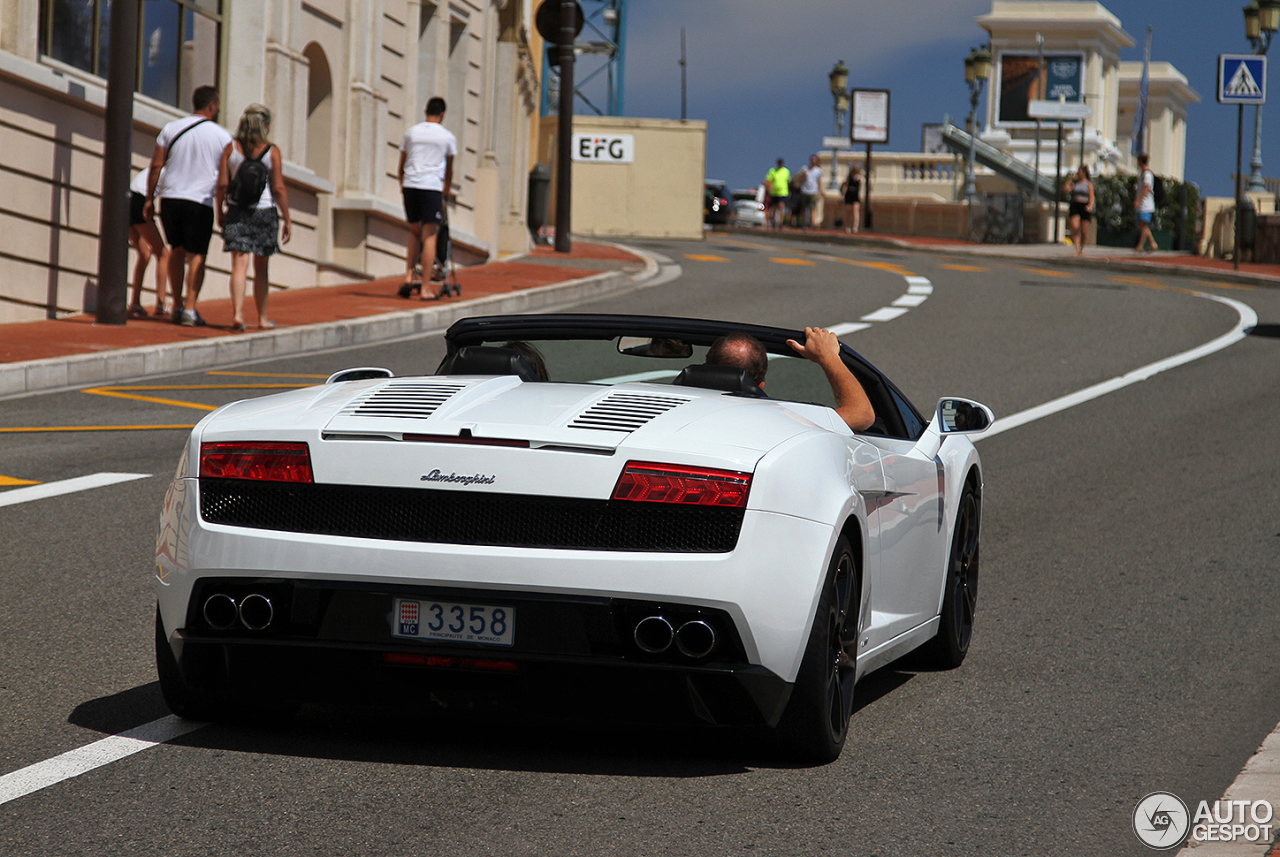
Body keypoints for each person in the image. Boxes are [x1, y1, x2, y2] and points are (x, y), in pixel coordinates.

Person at [144, 84, 233, 326]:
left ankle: (176, 305)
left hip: (171, 198)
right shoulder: (222, 137)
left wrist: (150, 198)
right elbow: (223, 181)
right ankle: (190, 309)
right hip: (200, 200)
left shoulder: (170, 128)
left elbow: (156, 166)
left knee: (176, 249)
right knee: (197, 255)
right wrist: (221, 208)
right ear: (212, 105)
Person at [706, 328, 875, 432]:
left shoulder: (680, 402)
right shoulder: (783, 420)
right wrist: (828, 356)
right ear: (761, 386)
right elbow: (861, 415)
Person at [216, 104, 292, 332]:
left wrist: (219, 211)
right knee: (262, 267)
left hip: (238, 209)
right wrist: (287, 217)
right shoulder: (272, 151)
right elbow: (278, 187)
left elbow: (222, 184)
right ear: (265, 125)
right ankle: (262, 318)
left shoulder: (231, 148)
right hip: (264, 211)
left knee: (239, 264)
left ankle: (238, 314)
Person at [398, 96, 457, 299]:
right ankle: (424, 288)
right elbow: (449, 169)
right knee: (429, 235)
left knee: (414, 232)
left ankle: (408, 276)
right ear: (442, 114)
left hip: (410, 185)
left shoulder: (411, 133)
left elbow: (402, 164)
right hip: (430, 187)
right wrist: (446, 189)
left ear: (425, 111)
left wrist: (402, 184)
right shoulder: (447, 137)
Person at [127, 167, 169, 318]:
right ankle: (161, 304)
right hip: (140, 201)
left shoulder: (152, 169)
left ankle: (135, 303)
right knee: (164, 254)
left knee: (144, 253)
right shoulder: (169, 170)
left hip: (128, 200)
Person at [1063, 165, 1094, 256]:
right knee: (1075, 227)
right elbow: (1065, 189)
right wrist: (1070, 179)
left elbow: (1092, 196)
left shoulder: (1088, 184)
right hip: (1076, 205)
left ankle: (1082, 248)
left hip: (1084, 206)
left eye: (1081, 171)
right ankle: (1076, 248)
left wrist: (1090, 206)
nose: (1079, 173)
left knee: (1084, 231)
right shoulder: (1075, 184)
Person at [1134, 153, 1158, 253]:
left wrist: (1138, 200)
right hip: (1142, 204)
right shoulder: (1142, 174)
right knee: (1141, 224)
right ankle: (1153, 243)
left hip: (1146, 204)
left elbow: (1146, 188)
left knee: (1143, 224)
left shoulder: (1147, 175)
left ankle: (1140, 246)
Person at [795, 155, 822, 229]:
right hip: (805, 190)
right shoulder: (805, 168)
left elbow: (819, 182)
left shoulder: (818, 171)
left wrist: (820, 192)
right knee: (803, 208)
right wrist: (803, 174)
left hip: (813, 191)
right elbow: (798, 179)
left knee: (812, 208)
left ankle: (812, 223)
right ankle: (804, 223)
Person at [765, 158, 790, 229]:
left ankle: (781, 221)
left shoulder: (786, 171)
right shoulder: (773, 171)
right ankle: (773, 220)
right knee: (774, 207)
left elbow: (788, 181)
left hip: (783, 192)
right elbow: (768, 180)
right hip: (774, 192)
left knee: (781, 206)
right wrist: (769, 188)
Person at [840, 164, 862, 233]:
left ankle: (855, 227)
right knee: (848, 211)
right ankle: (847, 226)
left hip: (855, 195)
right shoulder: (849, 177)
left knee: (855, 211)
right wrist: (843, 195)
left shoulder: (860, 178)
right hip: (849, 194)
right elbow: (845, 186)